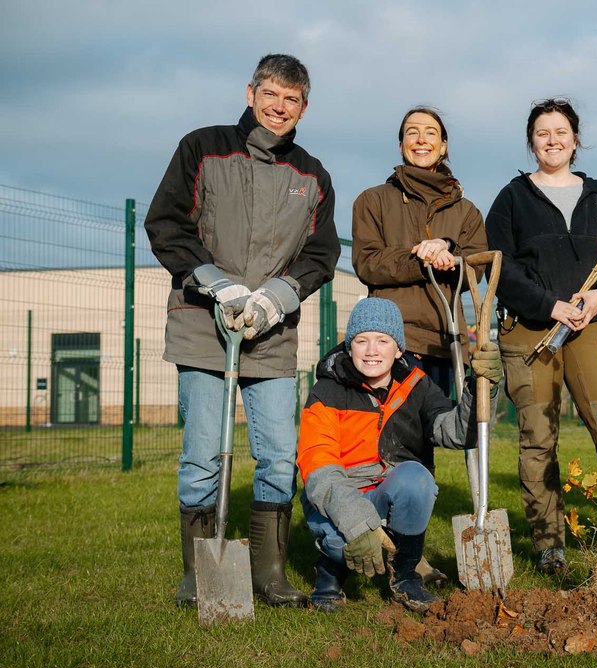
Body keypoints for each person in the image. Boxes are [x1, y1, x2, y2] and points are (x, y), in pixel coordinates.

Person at [146, 54, 339, 609]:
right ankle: (200, 573)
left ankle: (269, 576)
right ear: (251, 91)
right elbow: (166, 223)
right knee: (204, 454)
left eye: (292, 99)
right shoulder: (202, 147)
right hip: (204, 325)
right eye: (271, 94)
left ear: (305, 106)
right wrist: (216, 284)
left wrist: (278, 296)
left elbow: (322, 252)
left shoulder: (312, 173)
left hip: (271, 333)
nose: (280, 107)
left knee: (279, 454)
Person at [486, 97, 597, 574]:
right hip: (529, 332)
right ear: (531, 142)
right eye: (542, 133)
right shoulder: (512, 199)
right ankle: (548, 542)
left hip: (593, 328)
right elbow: (500, 267)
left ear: (576, 140)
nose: (552, 140)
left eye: (561, 131)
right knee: (538, 437)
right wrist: (548, 304)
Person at [296, 298, 502, 612]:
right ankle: (329, 573)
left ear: (398, 349)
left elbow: (456, 432)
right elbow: (320, 469)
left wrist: (481, 389)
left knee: (416, 479)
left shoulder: (417, 386)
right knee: (341, 544)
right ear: (349, 347)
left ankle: (405, 576)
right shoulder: (326, 393)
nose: (371, 350)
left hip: (385, 492)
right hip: (339, 498)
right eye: (361, 341)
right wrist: (357, 524)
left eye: (382, 341)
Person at [351, 106, 487, 397]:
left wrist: (449, 254)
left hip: (444, 339)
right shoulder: (372, 201)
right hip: (393, 340)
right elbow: (367, 262)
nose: (421, 140)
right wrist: (422, 261)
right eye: (412, 133)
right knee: (390, 432)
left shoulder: (467, 212)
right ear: (401, 145)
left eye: (430, 133)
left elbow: (476, 268)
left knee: (432, 430)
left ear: (443, 146)